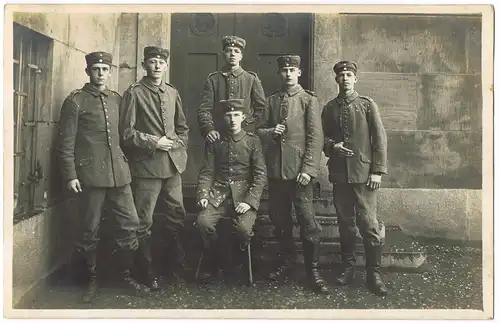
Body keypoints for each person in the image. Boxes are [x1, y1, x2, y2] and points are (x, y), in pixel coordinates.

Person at [58, 51, 150, 302]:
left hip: (119, 174)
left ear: (110, 71)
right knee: (90, 229)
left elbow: (125, 136)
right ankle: (91, 280)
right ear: (88, 71)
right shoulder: (76, 101)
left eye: (105, 69)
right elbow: (65, 143)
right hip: (89, 176)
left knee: (130, 224)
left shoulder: (116, 99)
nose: (101, 73)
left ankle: (124, 275)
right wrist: (70, 175)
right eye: (96, 68)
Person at [256, 55, 328, 294]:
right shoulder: (271, 100)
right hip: (277, 172)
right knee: (279, 219)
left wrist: (308, 170)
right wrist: (270, 133)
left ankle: (313, 270)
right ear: (280, 73)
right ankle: (287, 261)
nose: (288, 73)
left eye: (292, 70)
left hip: (300, 174)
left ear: (299, 72)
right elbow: (258, 132)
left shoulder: (308, 100)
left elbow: (315, 139)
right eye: (284, 70)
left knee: (308, 221)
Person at [120, 46, 189, 289]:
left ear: (167, 66)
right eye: (152, 61)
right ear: (144, 65)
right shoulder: (134, 93)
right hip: (146, 167)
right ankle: (146, 271)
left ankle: (174, 267)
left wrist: (179, 147)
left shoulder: (171, 92)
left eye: (161, 62)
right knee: (143, 220)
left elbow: (182, 127)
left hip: (172, 167)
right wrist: (154, 142)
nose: (157, 66)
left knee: (176, 215)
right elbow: (126, 134)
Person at [321, 60, 388, 296]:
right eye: (341, 75)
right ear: (336, 80)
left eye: (349, 74)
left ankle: (374, 274)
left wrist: (377, 171)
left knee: (368, 225)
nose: (346, 78)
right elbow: (323, 139)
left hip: (364, 176)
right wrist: (333, 146)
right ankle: (347, 268)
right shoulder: (329, 108)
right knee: (345, 224)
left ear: (355, 79)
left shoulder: (367, 105)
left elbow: (379, 140)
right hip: (340, 175)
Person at [195, 99, 267, 284]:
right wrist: (203, 195)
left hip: (243, 195)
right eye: (229, 115)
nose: (233, 119)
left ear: (243, 117)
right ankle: (218, 259)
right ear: (224, 118)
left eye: (236, 115)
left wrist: (249, 201)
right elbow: (207, 172)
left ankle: (236, 260)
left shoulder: (253, 141)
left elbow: (260, 176)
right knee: (203, 223)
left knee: (243, 229)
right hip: (218, 194)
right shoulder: (215, 141)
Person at [198, 35, 267, 144]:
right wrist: (209, 129)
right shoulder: (213, 79)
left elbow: (262, 108)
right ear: (223, 54)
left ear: (241, 56)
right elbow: (204, 109)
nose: (232, 54)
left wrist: (247, 123)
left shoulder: (251, 79)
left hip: (245, 135)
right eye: (228, 51)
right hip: (219, 135)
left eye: (236, 51)